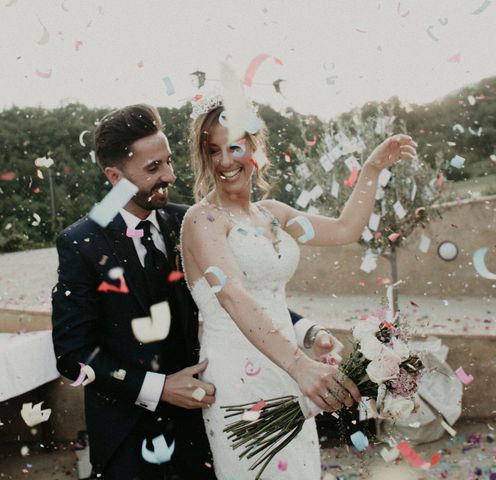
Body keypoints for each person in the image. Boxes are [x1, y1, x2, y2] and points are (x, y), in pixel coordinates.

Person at [51, 104, 341, 479]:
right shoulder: (81, 243)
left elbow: (230, 297)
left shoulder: (187, 221)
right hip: (127, 437)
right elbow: (72, 356)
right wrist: (159, 388)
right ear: (114, 176)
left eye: (168, 161)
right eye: (153, 169)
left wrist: (307, 331)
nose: (170, 175)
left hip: (201, 425)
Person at [181, 94, 417, 479]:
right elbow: (233, 295)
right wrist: (300, 365)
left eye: (235, 147)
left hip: (288, 373)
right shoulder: (202, 220)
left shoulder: (273, 215)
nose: (225, 161)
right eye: (213, 150)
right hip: (239, 379)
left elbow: (345, 229)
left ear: (254, 146)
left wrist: (372, 168)